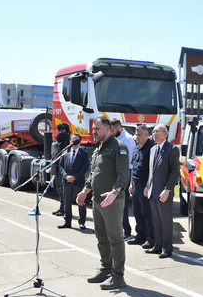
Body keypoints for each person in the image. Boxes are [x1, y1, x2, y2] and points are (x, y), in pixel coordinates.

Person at [77, 116, 130, 290]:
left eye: (97, 129)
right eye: (93, 129)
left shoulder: (118, 148)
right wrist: (85, 191)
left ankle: (118, 276)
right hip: (98, 201)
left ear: (108, 128)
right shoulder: (98, 148)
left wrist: (114, 192)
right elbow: (93, 173)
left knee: (115, 239)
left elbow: (124, 175)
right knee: (101, 238)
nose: (94, 132)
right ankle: (106, 269)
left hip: (112, 202)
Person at [144, 124, 180, 259]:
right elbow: (151, 171)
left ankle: (167, 248)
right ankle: (157, 246)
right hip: (153, 191)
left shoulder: (172, 149)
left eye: (157, 131)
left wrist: (168, 189)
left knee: (165, 222)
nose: (154, 134)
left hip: (164, 192)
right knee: (156, 222)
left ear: (165, 134)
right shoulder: (153, 149)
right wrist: (148, 186)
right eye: (153, 132)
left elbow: (175, 171)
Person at [127, 124, 155, 249]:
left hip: (145, 184)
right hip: (136, 184)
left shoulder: (151, 148)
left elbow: (151, 170)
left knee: (146, 213)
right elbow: (134, 168)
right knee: (137, 212)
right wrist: (131, 183)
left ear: (146, 135)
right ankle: (140, 235)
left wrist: (147, 186)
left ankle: (150, 238)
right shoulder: (136, 148)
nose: (136, 137)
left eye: (139, 135)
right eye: (136, 134)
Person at [57, 133, 90, 230]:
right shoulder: (65, 153)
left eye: (76, 140)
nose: (74, 142)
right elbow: (60, 166)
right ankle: (67, 222)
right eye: (73, 140)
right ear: (69, 141)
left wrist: (75, 177)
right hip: (67, 181)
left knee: (81, 202)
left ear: (80, 142)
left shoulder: (84, 154)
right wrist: (65, 176)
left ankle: (82, 222)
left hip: (78, 181)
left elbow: (85, 167)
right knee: (67, 201)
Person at [110, 118, 136, 241]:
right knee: (115, 205)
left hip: (125, 173)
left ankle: (127, 231)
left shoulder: (128, 140)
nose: (112, 133)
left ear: (119, 127)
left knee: (123, 205)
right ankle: (118, 229)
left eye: (113, 130)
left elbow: (130, 162)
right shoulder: (115, 138)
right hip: (115, 173)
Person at [52, 122, 71, 216]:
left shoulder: (66, 139)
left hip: (62, 167)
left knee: (63, 189)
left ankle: (64, 209)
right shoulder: (59, 140)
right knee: (59, 188)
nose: (58, 132)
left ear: (64, 130)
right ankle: (61, 207)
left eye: (59, 130)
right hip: (57, 165)